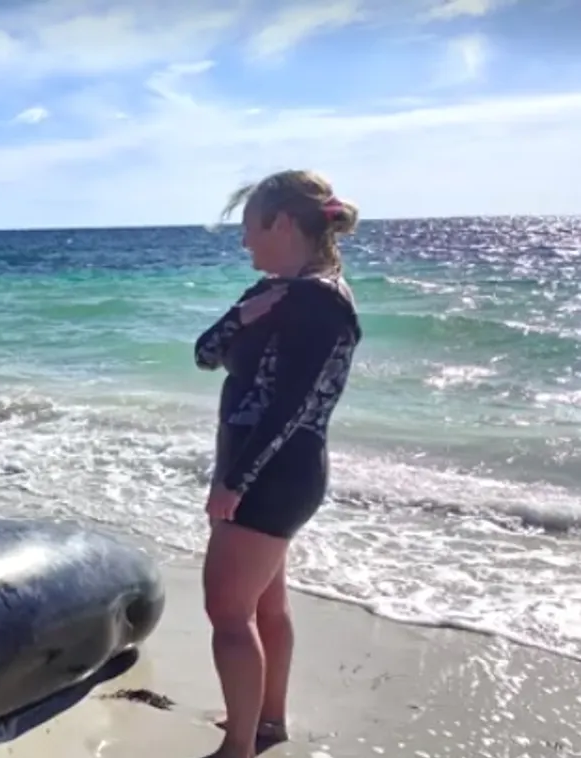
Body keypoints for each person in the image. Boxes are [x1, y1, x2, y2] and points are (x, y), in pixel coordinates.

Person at [192, 169, 363, 758]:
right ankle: (266, 721)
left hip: (275, 474)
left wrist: (234, 482)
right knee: (264, 604)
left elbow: (292, 406)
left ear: (283, 223)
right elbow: (204, 355)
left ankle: (237, 748)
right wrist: (246, 314)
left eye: (249, 228)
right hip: (262, 471)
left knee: (226, 608)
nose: (245, 243)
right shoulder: (274, 293)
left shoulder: (321, 304)